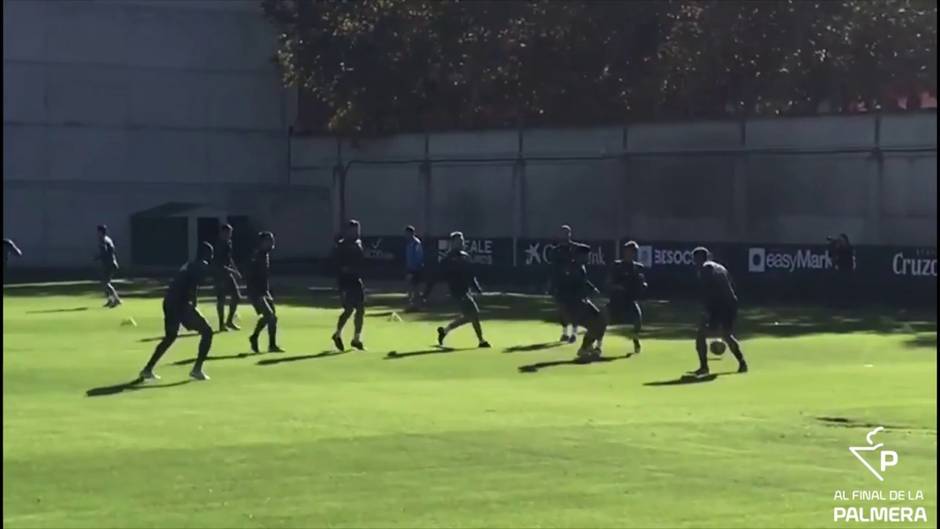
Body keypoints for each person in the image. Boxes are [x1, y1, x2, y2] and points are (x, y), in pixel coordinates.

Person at [140, 242, 229, 381]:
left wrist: (193, 302)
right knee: (207, 332)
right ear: (205, 254)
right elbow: (202, 278)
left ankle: (147, 369)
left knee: (170, 337)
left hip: (169, 302)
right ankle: (197, 369)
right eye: (210, 254)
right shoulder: (199, 266)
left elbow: (192, 284)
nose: (211, 257)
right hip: (180, 304)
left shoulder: (188, 265)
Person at [424, 231, 490, 349]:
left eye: (462, 241)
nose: (461, 243)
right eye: (458, 241)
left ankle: (444, 331)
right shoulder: (448, 259)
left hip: (466, 290)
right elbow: (436, 276)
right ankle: (481, 341)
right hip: (457, 291)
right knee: (474, 314)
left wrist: (477, 288)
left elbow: (470, 275)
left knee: (469, 316)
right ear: (452, 243)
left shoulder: (465, 256)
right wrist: (427, 293)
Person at [691, 246, 747, 376]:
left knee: (701, 335)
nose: (694, 263)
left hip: (719, 304)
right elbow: (731, 284)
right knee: (726, 335)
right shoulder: (720, 267)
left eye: (695, 260)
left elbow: (708, 291)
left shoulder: (705, 269)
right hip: (731, 303)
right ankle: (742, 363)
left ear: (699, 259)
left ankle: (704, 367)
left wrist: (706, 311)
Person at [556, 243, 606, 361]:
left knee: (599, 321)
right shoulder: (573, 268)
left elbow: (584, 282)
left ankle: (587, 346)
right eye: (585, 256)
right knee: (597, 322)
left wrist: (592, 288)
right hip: (576, 303)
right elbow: (573, 286)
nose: (587, 258)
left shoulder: (579, 267)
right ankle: (585, 348)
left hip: (581, 301)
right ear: (579, 256)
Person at [604, 241, 647, 355]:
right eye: (629, 251)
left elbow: (642, 283)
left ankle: (635, 340)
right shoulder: (616, 265)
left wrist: (643, 285)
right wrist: (617, 287)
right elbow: (608, 283)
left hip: (630, 300)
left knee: (638, 317)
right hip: (616, 301)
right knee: (602, 321)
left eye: (633, 252)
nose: (631, 254)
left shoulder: (638, 267)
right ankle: (595, 344)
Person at [246, 231, 283, 354]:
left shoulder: (265, 255)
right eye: (269, 240)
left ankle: (267, 343)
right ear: (262, 242)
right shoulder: (257, 256)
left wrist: (268, 291)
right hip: (256, 292)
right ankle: (257, 338)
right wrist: (256, 293)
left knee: (272, 318)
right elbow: (251, 276)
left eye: (272, 239)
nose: (272, 242)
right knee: (270, 316)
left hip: (264, 291)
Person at [332, 220, 366, 351]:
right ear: (347, 231)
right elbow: (336, 266)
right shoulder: (342, 246)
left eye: (358, 230)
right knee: (349, 310)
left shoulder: (358, 243)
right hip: (346, 282)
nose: (357, 233)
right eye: (354, 230)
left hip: (357, 280)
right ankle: (337, 334)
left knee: (361, 310)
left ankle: (356, 339)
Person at [550, 224, 579, 343]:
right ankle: (565, 333)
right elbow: (553, 268)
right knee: (562, 309)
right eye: (562, 233)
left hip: (573, 283)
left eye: (566, 233)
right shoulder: (556, 250)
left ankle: (574, 333)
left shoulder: (575, 248)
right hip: (561, 284)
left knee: (575, 309)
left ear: (570, 234)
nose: (564, 236)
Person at [213, 224, 243, 332]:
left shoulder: (228, 243)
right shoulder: (219, 245)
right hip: (219, 274)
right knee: (221, 299)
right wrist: (233, 271)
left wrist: (235, 270)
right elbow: (218, 264)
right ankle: (221, 324)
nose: (229, 235)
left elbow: (229, 259)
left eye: (230, 233)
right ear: (222, 233)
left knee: (236, 296)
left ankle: (229, 321)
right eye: (227, 233)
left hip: (227, 274)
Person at [94, 225, 122, 308]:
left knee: (106, 283)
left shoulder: (103, 240)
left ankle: (117, 300)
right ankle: (110, 300)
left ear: (101, 232)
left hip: (110, 264)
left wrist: (98, 257)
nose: (97, 233)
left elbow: (105, 252)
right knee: (104, 283)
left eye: (98, 231)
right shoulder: (107, 239)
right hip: (109, 264)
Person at [404, 225, 425, 310]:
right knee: (411, 287)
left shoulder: (416, 243)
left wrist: (415, 268)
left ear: (411, 233)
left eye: (407, 233)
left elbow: (419, 256)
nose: (405, 235)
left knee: (414, 287)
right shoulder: (409, 243)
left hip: (415, 269)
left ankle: (417, 304)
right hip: (410, 268)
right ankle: (413, 305)